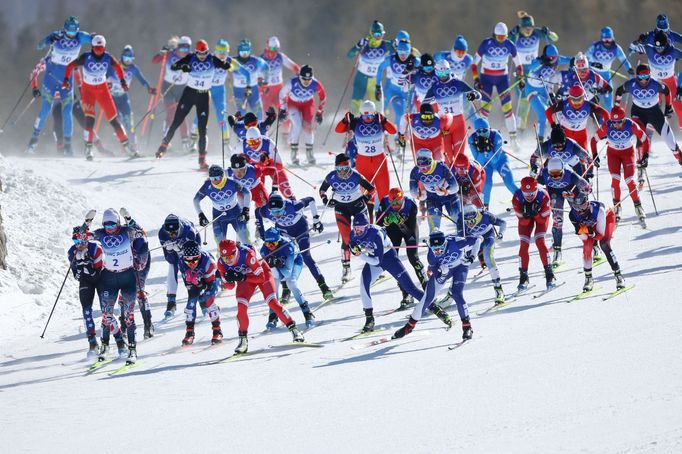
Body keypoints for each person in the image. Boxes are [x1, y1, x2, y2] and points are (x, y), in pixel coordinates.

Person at [349, 215, 447, 332]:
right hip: (373, 259)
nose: (357, 231)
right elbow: (351, 243)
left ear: (367, 226)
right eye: (355, 228)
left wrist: (361, 255)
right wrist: (352, 248)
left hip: (389, 259)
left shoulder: (376, 234)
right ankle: (369, 319)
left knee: (410, 288)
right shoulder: (353, 233)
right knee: (363, 285)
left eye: (360, 228)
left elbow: (377, 261)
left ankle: (435, 308)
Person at [155, 39, 235, 169]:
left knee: (202, 129)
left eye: (204, 53)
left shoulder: (212, 59)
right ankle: (163, 146)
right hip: (189, 94)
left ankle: (202, 159)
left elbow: (225, 65)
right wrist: (183, 66)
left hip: (203, 96)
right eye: (199, 54)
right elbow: (173, 66)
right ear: (196, 52)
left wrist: (226, 65)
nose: (202, 56)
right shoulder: (191, 57)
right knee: (177, 120)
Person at [217, 239, 304, 354]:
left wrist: (242, 277)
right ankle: (243, 341)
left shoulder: (247, 254)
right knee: (241, 308)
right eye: (225, 258)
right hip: (246, 279)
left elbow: (261, 278)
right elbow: (230, 287)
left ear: (236, 252)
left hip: (262, 274)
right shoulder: (221, 263)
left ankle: (294, 330)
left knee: (272, 302)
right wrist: (227, 279)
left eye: (231, 256)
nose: (228, 260)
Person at [392, 230, 481, 340]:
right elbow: (439, 279)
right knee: (426, 298)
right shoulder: (431, 256)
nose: (437, 251)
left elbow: (477, 239)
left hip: (460, 266)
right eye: (435, 249)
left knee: (457, 293)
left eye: (440, 248)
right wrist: (443, 274)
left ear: (445, 244)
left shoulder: (455, 242)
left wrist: (472, 257)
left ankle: (467, 327)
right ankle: (409, 327)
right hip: (444, 271)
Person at [63, 35, 135, 159]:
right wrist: (66, 80)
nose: (98, 52)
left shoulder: (108, 57)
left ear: (104, 47)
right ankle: (88, 148)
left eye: (100, 49)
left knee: (114, 120)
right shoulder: (86, 57)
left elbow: (118, 66)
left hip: (103, 91)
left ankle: (127, 147)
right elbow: (70, 66)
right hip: (88, 91)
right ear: (92, 47)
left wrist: (122, 81)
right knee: (90, 121)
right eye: (96, 49)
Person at [92, 209, 148, 365]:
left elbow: (142, 232)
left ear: (117, 223)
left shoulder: (127, 231)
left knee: (129, 315)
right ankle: (104, 347)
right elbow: (81, 238)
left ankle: (132, 349)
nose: (109, 228)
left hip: (128, 276)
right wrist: (86, 223)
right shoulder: (100, 234)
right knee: (106, 314)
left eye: (112, 224)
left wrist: (129, 218)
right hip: (109, 277)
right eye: (106, 225)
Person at [29, 16, 91, 155]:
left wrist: (96, 39)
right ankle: (32, 144)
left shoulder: (80, 37)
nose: (71, 34)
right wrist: (48, 40)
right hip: (50, 80)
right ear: (64, 29)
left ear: (77, 30)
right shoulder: (55, 37)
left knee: (67, 113)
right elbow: (39, 47)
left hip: (67, 81)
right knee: (44, 111)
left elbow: (94, 40)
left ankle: (68, 148)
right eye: (68, 31)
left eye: (73, 31)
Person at [255, 192, 333, 300]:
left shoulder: (293, 205)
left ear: (284, 206)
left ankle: (323, 285)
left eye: (279, 211)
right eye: (273, 212)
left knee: (306, 256)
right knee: (279, 258)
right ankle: (286, 289)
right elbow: (257, 212)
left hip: (300, 228)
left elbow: (310, 199)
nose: (277, 214)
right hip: (283, 231)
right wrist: (261, 231)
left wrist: (316, 219)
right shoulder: (266, 210)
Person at [319, 153, 376, 282]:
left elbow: (372, 189)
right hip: (341, 209)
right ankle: (346, 268)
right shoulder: (331, 177)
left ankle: (374, 263)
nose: (343, 172)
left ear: (350, 167)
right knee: (346, 238)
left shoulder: (356, 175)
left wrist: (366, 197)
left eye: (346, 168)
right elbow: (322, 191)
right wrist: (325, 200)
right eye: (340, 169)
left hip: (358, 208)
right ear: (336, 168)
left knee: (365, 235)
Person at [590, 106, 649, 226]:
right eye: (614, 122)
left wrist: (645, 155)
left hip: (628, 154)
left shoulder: (631, 125)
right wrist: (595, 155)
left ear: (623, 120)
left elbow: (645, 139)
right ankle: (617, 208)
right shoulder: (607, 125)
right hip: (613, 155)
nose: (616, 125)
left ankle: (638, 206)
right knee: (615, 180)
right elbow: (593, 140)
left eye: (619, 122)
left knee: (629, 180)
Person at [614, 63, 681, 166]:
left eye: (646, 76)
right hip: (638, 112)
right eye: (641, 77)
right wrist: (616, 107)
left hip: (654, 113)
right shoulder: (631, 84)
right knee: (641, 135)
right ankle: (641, 160)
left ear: (650, 75)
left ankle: (680, 158)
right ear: (637, 76)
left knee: (670, 141)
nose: (644, 80)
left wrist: (668, 106)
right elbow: (619, 91)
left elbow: (667, 91)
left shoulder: (655, 84)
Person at [189, 39, 249, 149]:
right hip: (206, 90)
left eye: (224, 53)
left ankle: (226, 145)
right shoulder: (209, 59)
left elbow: (245, 72)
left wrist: (249, 85)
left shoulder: (229, 61)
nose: (222, 56)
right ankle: (193, 140)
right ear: (215, 52)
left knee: (221, 116)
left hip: (220, 91)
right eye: (219, 53)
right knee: (201, 114)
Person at [471, 22, 524, 147]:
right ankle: (484, 138)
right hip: (486, 80)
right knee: (485, 110)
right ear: (494, 35)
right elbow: (474, 63)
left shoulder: (509, 44)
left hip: (502, 80)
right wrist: (476, 80)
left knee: (508, 109)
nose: (501, 40)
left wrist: (521, 79)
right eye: (499, 37)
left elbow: (519, 64)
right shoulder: (486, 44)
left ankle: (513, 139)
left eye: (503, 37)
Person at [335, 101, 397, 203]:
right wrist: (345, 120)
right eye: (364, 117)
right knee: (366, 197)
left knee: (384, 196)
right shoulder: (356, 122)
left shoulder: (379, 120)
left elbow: (393, 131)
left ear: (374, 113)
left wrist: (385, 121)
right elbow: (338, 130)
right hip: (363, 163)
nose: (367, 119)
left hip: (380, 162)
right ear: (361, 114)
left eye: (369, 117)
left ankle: (383, 217)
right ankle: (368, 218)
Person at [376, 187, 428, 308]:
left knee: (413, 258)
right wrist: (386, 222)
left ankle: (428, 290)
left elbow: (410, 231)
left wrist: (401, 223)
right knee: (394, 262)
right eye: (392, 203)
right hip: (392, 231)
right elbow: (377, 226)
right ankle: (407, 294)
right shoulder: (384, 202)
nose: (395, 205)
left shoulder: (410, 205)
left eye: (398, 202)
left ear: (402, 199)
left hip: (408, 229)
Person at [536, 157, 592, 268]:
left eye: (558, 174)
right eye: (552, 174)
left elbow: (588, 188)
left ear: (562, 170)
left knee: (580, 218)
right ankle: (557, 252)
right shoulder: (544, 173)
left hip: (571, 191)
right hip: (555, 194)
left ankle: (594, 246)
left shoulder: (569, 174)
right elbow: (535, 186)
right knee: (558, 221)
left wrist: (577, 196)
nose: (555, 177)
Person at [423, 59, 481, 165]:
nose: (443, 76)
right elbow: (424, 105)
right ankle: (449, 180)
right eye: (440, 73)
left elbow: (478, 94)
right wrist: (427, 115)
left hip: (459, 123)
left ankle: (461, 179)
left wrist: (473, 95)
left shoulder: (457, 83)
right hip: (444, 124)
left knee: (459, 156)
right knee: (448, 158)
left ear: (449, 71)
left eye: (445, 72)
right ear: (436, 73)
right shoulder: (434, 87)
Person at [509, 11, 559, 132]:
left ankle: (547, 124)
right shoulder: (517, 35)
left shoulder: (537, 32)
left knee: (542, 98)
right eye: (525, 28)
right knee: (524, 100)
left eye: (530, 27)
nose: (528, 30)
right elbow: (504, 42)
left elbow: (555, 38)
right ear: (521, 27)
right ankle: (520, 129)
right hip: (521, 70)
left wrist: (549, 32)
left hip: (536, 69)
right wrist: (511, 34)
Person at [567, 192, 625, 292]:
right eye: (577, 207)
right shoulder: (572, 215)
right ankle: (588, 279)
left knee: (604, 244)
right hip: (591, 224)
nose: (580, 210)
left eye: (583, 206)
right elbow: (584, 238)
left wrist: (592, 233)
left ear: (588, 203)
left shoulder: (600, 211)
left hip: (607, 218)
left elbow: (600, 235)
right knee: (587, 246)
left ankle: (618, 276)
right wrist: (583, 232)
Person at [259, 227, 316, 329]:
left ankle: (307, 312)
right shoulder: (264, 250)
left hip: (294, 263)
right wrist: (270, 264)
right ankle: (273, 315)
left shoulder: (288, 247)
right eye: (268, 244)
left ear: (279, 241)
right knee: (273, 285)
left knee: (291, 282)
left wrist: (278, 263)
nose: (271, 247)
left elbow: (287, 273)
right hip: (279, 267)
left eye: (274, 244)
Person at [108, 45, 156, 153]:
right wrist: (106, 84)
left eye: (130, 59)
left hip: (123, 98)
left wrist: (149, 89)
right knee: (119, 122)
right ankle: (122, 147)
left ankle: (134, 148)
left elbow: (142, 80)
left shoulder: (133, 68)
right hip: (112, 98)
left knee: (130, 123)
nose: (128, 61)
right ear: (122, 57)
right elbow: (104, 76)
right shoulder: (114, 65)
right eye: (126, 59)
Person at [630, 30, 682, 127]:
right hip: (654, 82)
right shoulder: (649, 49)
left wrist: (680, 84)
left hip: (670, 81)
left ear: (666, 44)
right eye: (657, 47)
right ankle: (646, 136)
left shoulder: (673, 51)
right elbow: (632, 48)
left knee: (680, 109)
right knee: (653, 109)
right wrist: (638, 41)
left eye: (661, 47)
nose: (659, 50)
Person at [512, 176, 556, 290]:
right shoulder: (517, 197)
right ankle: (523, 276)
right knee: (524, 244)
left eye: (532, 193)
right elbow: (524, 223)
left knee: (539, 241)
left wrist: (536, 214)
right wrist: (526, 215)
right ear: (522, 191)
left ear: (536, 189)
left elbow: (542, 220)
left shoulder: (544, 195)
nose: (529, 196)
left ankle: (549, 274)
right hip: (526, 221)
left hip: (540, 217)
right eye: (526, 194)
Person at [278, 65, 327, 165]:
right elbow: (282, 94)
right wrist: (283, 109)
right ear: (299, 76)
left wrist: (320, 112)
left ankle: (309, 153)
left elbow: (323, 96)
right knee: (297, 125)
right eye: (304, 78)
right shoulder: (292, 82)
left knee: (307, 127)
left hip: (308, 104)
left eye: (309, 79)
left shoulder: (315, 83)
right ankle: (294, 154)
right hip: (293, 104)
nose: (306, 81)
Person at [459, 204, 507, 303]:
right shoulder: (460, 219)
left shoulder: (486, 216)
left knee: (488, 257)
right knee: (461, 262)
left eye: (473, 221)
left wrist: (501, 233)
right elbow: (461, 238)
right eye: (468, 222)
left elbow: (503, 223)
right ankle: (452, 293)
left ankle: (499, 290)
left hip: (487, 238)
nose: (471, 224)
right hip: (473, 240)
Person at [118, 208, 154, 339]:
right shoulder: (118, 235)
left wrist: (137, 263)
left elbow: (142, 263)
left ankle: (148, 324)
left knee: (139, 291)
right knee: (123, 293)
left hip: (140, 262)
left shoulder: (140, 240)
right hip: (126, 264)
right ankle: (123, 325)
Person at [178, 241, 223, 345]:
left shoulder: (209, 262)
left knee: (208, 298)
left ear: (199, 256)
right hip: (195, 278)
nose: (192, 264)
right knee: (191, 302)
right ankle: (189, 333)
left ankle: (217, 330)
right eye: (188, 261)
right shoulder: (181, 262)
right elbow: (188, 285)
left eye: (195, 260)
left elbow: (209, 284)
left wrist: (200, 284)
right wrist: (194, 285)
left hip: (212, 278)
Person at [468, 118, 519, 208]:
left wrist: (488, 150)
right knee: (487, 184)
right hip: (486, 164)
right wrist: (481, 151)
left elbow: (495, 160)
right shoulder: (472, 139)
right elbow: (478, 162)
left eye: (484, 130)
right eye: (478, 131)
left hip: (500, 161)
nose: (482, 133)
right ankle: (485, 207)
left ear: (489, 128)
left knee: (509, 182)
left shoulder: (497, 136)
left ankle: (522, 200)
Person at [152, 35, 192, 151]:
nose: (184, 52)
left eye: (187, 49)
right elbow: (154, 61)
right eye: (182, 49)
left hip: (182, 89)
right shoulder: (170, 54)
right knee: (170, 113)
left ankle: (185, 141)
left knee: (181, 114)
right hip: (168, 87)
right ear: (177, 47)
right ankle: (165, 140)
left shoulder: (191, 57)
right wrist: (161, 53)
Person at [68, 225, 103, 354]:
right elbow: (76, 275)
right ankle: (92, 342)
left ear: (86, 238)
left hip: (100, 280)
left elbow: (99, 274)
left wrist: (89, 267)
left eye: (80, 241)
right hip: (85, 281)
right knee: (86, 310)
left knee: (106, 309)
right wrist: (79, 269)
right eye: (75, 241)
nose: (78, 245)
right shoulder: (72, 252)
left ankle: (116, 339)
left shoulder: (95, 248)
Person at [523, 44, 570, 140]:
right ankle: (540, 141)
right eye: (551, 58)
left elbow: (570, 59)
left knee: (555, 112)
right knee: (542, 114)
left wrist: (577, 60)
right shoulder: (538, 61)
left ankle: (555, 137)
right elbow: (531, 67)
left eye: (555, 57)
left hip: (544, 89)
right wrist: (541, 62)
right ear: (545, 57)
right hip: (532, 90)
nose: (553, 60)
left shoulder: (557, 60)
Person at [158, 214, 201, 319]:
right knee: (172, 266)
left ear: (179, 229)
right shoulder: (162, 234)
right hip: (177, 247)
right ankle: (171, 302)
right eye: (169, 232)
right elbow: (170, 259)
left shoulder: (188, 231)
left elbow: (190, 256)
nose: (172, 235)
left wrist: (180, 250)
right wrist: (169, 250)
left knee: (189, 267)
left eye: (174, 232)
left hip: (192, 245)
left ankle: (198, 293)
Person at [194, 164, 251, 244]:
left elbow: (247, 193)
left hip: (235, 212)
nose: (215, 181)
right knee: (221, 246)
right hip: (218, 216)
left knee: (246, 241)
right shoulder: (207, 186)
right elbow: (195, 200)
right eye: (212, 178)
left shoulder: (232, 183)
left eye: (217, 178)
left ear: (222, 176)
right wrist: (201, 215)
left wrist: (246, 210)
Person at [347, 20, 394, 114]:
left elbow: (399, 57)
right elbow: (349, 56)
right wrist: (357, 46)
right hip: (361, 79)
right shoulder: (364, 43)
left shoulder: (386, 45)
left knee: (379, 109)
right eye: (376, 34)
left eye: (381, 34)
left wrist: (396, 46)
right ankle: (353, 126)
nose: (379, 37)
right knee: (355, 107)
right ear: (371, 34)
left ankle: (380, 127)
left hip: (375, 81)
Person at [409, 148, 460, 233]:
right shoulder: (415, 171)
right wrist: (419, 196)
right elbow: (413, 191)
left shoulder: (441, 167)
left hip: (449, 196)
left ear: (431, 161)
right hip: (432, 198)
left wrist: (446, 192)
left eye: (427, 166)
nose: (424, 170)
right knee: (433, 225)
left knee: (457, 218)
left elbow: (455, 187)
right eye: (421, 167)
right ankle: (435, 242)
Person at [545, 85, 609, 151]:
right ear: (569, 98)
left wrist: (606, 128)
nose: (576, 102)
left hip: (581, 135)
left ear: (583, 97)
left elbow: (606, 114)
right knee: (565, 155)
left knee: (584, 157)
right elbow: (548, 112)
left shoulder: (589, 105)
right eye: (573, 99)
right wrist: (553, 125)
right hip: (565, 133)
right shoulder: (563, 104)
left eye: (579, 99)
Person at [585, 27, 634, 110]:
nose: (607, 42)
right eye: (605, 40)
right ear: (601, 39)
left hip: (606, 75)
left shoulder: (616, 48)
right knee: (592, 99)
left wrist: (629, 70)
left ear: (613, 38)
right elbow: (584, 59)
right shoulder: (595, 46)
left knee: (608, 98)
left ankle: (610, 119)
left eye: (609, 39)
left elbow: (624, 61)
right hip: (592, 74)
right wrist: (592, 64)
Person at [241, 126, 295, 199]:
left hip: (271, 169)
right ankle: (261, 207)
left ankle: (292, 201)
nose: (253, 145)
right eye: (250, 142)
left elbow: (280, 166)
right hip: (258, 171)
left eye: (255, 142)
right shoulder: (241, 145)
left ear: (260, 139)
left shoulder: (269, 144)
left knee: (287, 191)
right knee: (260, 194)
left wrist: (268, 163)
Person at [376, 40, 419, 127]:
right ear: (397, 51)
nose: (402, 55)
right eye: (400, 52)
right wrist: (377, 86)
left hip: (408, 92)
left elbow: (423, 65)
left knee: (409, 115)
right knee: (400, 114)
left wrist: (416, 65)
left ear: (409, 51)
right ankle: (398, 136)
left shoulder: (413, 60)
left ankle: (405, 135)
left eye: (405, 52)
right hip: (394, 90)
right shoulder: (391, 59)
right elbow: (380, 68)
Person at [259, 36, 300, 115]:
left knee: (284, 111)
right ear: (267, 48)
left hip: (278, 89)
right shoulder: (261, 59)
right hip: (266, 90)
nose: (274, 52)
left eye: (276, 49)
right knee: (266, 113)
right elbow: (257, 75)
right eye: (273, 49)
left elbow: (293, 66)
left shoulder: (280, 56)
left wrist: (300, 74)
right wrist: (261, 86)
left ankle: (285, 127)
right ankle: (266, 126)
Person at [232, 39, 266, 120]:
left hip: (253, 90)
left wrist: (263, 80)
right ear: (238, 51)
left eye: (246, 52)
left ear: (250, 51)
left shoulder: (255, 60)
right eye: (242, 52)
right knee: (241, 114)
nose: (244, 55)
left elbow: (266, 67)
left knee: (259, 113)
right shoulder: (233, 61)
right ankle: (241, 131)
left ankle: (262, 130)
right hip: (239, 91)